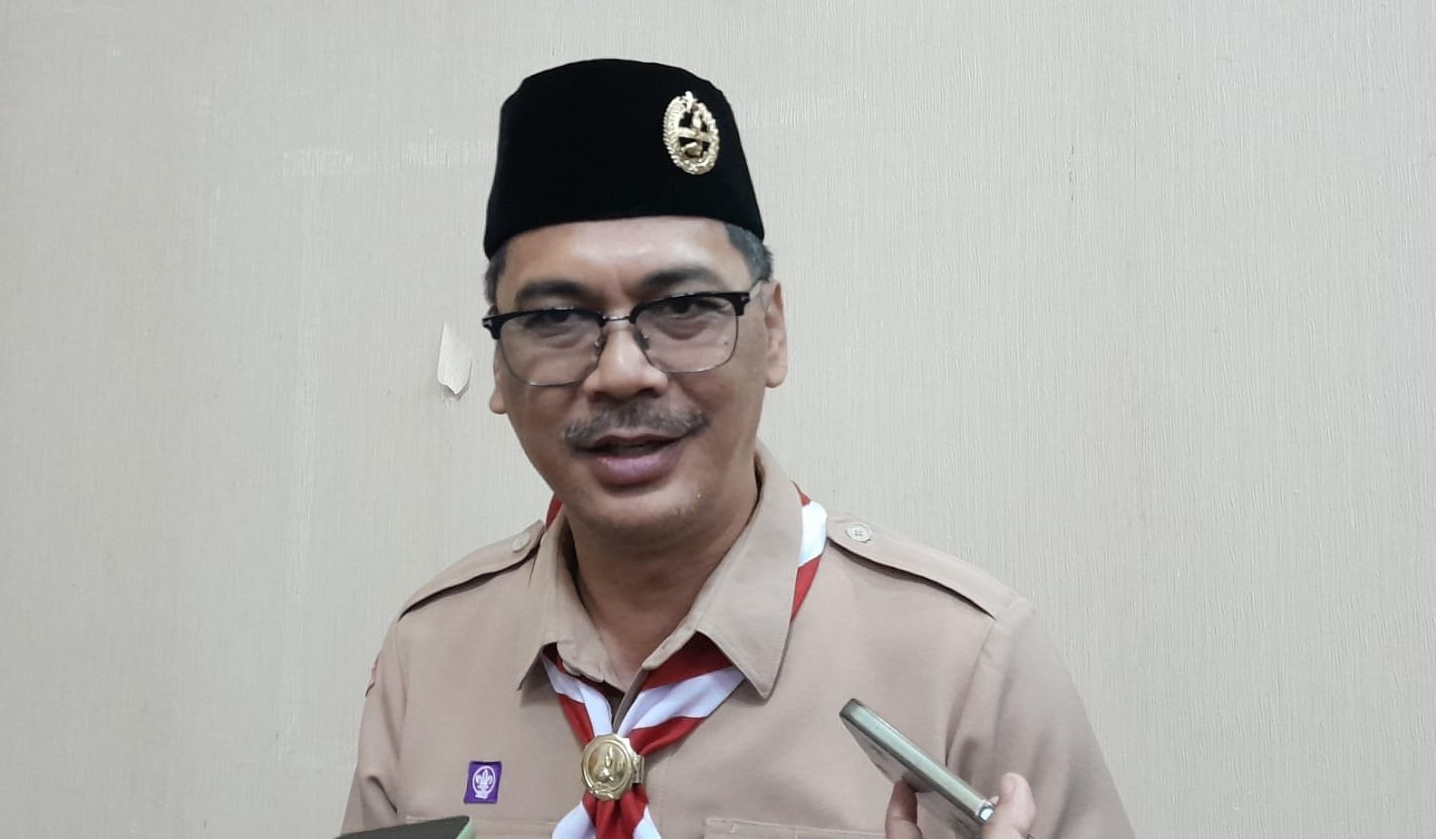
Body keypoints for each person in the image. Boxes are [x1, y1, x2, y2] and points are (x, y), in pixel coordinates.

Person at [342, 60, 1133, 839]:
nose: (621, 372)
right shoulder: (430, 656)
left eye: (685, 306)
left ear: (773, 332)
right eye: (554, 318)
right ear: (499, 368)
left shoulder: (966, 666)